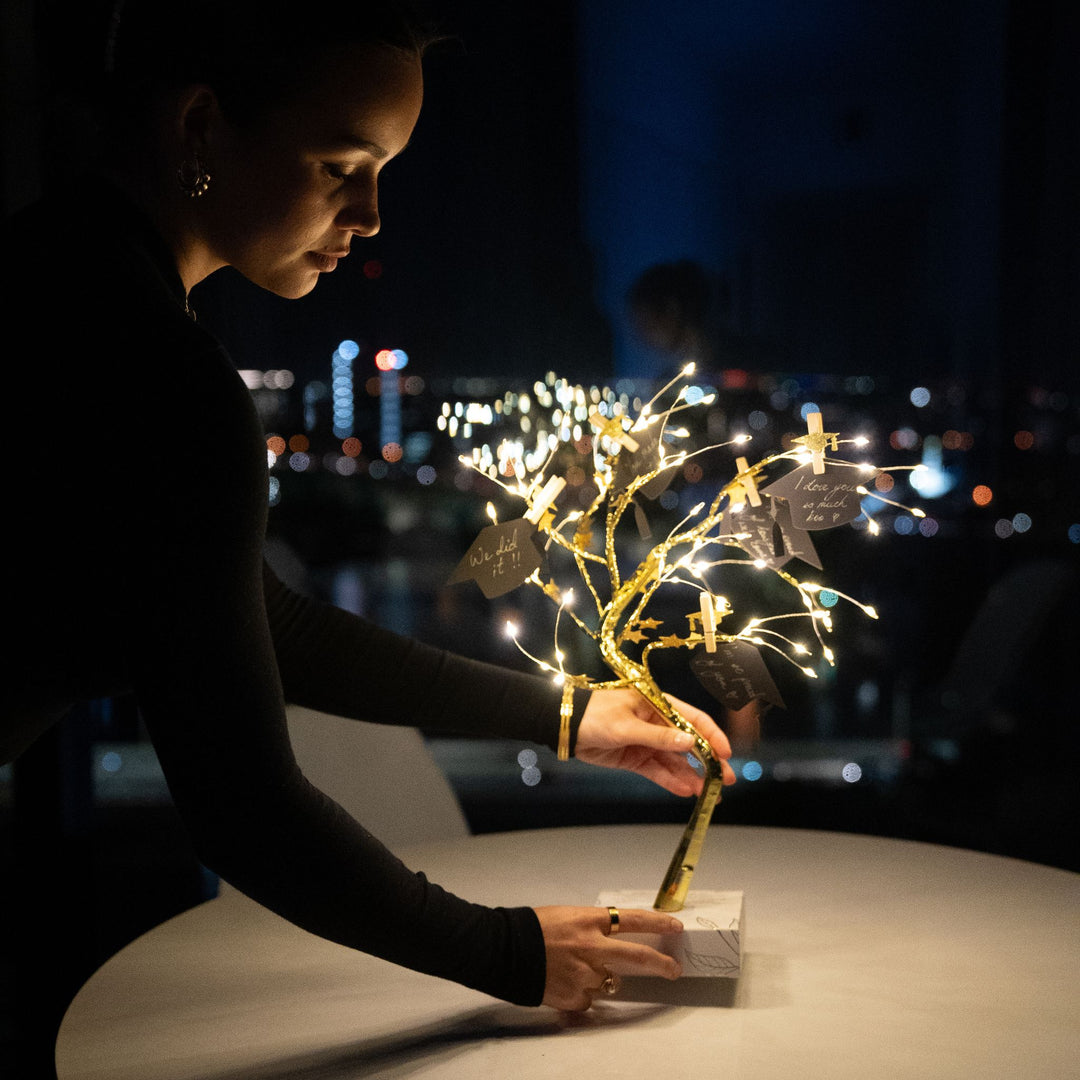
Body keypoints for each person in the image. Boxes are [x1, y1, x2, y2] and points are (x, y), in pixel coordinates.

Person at [3, 0, 737, 1026]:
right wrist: (512, 951)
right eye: (341, 167)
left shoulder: (55, 274)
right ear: (200, 127)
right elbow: (242, 808)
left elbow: (260, 620)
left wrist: (567, 714)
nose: (371, 217)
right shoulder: (160, 376)